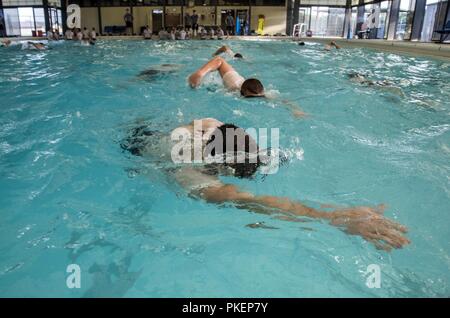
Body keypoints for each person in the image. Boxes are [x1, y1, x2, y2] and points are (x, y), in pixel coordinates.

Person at [121, 118, 410, 252]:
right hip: (134, 147)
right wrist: (334, 217)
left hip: (160, 131)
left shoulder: (211, 127)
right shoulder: (190, 174)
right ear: (221, 168)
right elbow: (253, 201)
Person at [188, 56, 305, 118]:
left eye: (257, 97)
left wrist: (297, 110)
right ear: (241, 93)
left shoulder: (264, 94)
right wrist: (201, 73)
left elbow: (284, 101)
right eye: (249, 98)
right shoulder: (234, 84)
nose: (254, 100)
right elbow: (219, 60)